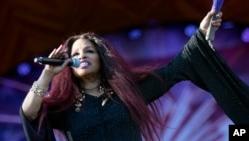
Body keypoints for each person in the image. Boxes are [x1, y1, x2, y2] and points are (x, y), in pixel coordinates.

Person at [20, 10, 249, 141]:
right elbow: (30, 113)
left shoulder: (129, 93)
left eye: (89, 50)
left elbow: (179, 65)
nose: (83, 55)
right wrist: (47, 75)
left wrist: (202, 32)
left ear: (102, 57)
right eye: (76, 53)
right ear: (68, 64)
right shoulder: (65, 108)